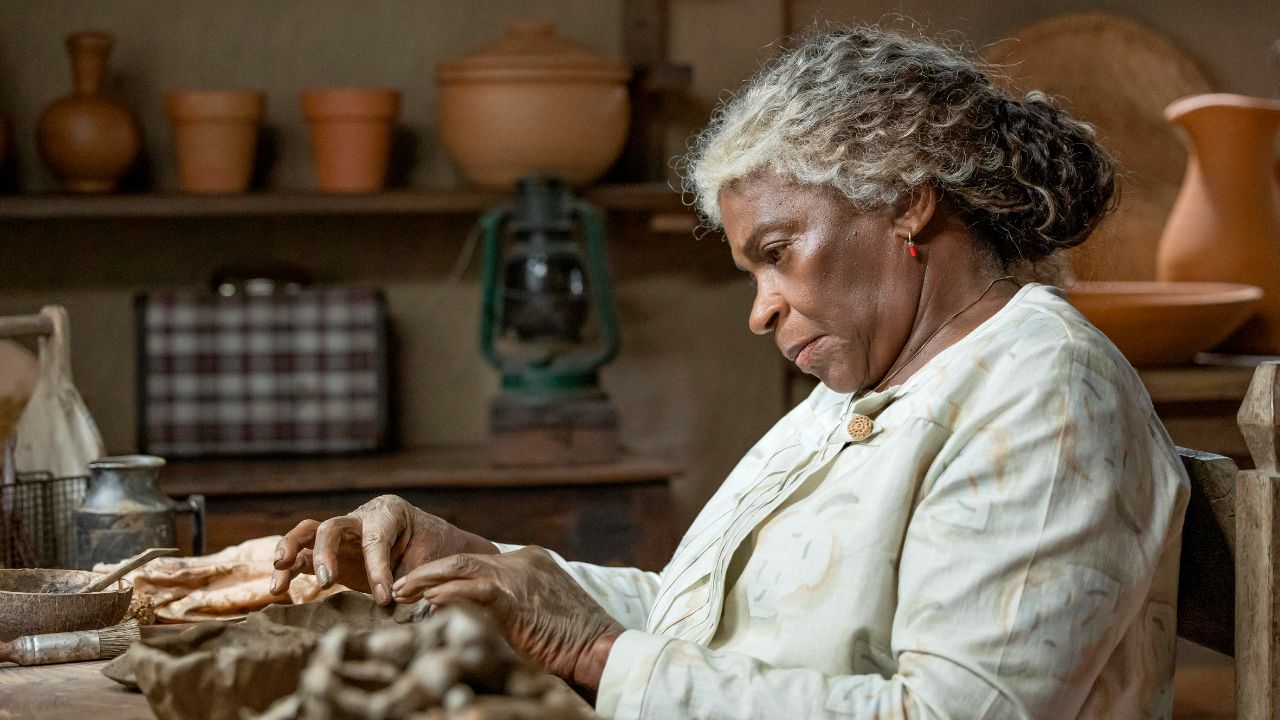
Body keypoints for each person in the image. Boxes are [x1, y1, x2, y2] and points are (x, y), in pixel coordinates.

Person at [272, 25, 1189, 719]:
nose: (761, 309)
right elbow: (693, 621)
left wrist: (593, 650)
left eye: (780, 252)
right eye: (753, 272)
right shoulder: (862, 395)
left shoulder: (1046, 390)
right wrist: (477, 564)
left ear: (907, 204)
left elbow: (948, 714)